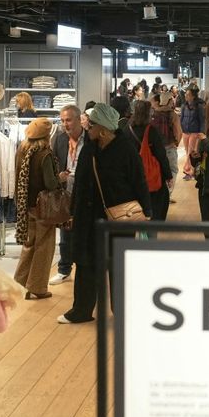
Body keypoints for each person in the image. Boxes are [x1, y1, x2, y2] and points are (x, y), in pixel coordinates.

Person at [61, 103, 150, 324]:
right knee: (85, 263)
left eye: (91, 124)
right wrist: (72, 212)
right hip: (88, 218)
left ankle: (123, 311)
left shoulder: (126, 149)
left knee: (118, 264)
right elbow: (80, 183)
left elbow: (139, 182)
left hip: (118, 219)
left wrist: (146, 212)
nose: (87, 127)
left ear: (103, 129)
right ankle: (81, 310)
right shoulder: (89, 149)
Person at [13, 118, 60, 299]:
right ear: (47, 135)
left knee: (29, 245)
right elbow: (50, 183)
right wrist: (61, 178)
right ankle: (38, 287)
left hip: (27, 204)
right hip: (43, 207)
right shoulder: (44, 154)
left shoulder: (22, 150)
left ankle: (20, 285)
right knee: (44, 247)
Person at [50, 105, 85, 285]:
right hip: (66, 192)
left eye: (69, 120)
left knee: (85, 233)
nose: (65, 124)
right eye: (62, 120)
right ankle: (64, 270)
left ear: (79, 119)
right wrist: (58, 177)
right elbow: (55, 163)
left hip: (85, 192)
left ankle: (85, 269)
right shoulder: (60, 139)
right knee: (65, 235)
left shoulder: (90, 139)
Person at [125, 100, 172, 223]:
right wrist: (168, 175)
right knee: (156, 207)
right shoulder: (151, 131)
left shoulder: (127, 130)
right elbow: (161, 155)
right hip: (151, 175)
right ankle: (150, 232)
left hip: (132, 174)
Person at [150, 90, 183, 200]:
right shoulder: (172, 114)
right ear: (169, 101)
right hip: (169, 146)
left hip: (155, 148)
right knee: (173, 170)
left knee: (159, 170)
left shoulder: (154, 114)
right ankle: (167, 194)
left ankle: (160, 194)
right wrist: (176, 143)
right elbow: (178, 132)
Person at [180, 87, 206, 179]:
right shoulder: (184, 106)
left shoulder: (199, 106)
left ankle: (188, 171)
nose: (186, 96)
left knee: (191, 152)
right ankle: (191, 170)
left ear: (193, 96)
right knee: (187, 151)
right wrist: (182, 128)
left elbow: (202, 120)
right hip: (185, 132)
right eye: (186, 94)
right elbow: (182, 118)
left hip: (195, 132)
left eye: (188, 94)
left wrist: (201, 132)